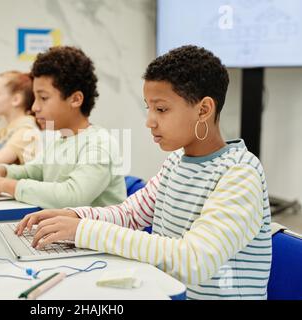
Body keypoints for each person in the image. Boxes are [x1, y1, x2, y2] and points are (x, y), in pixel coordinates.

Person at [16, 45, 272, 300]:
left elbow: (194, 260)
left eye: (161, 109)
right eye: (148, 108)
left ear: (204, 110)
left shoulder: (240, 174)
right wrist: (73, 215)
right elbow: (129, 214)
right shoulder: (176, 163)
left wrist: (83, 230)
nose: (149, 120)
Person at [0, 46, 127, 209]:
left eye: (43, 98)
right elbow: (36, 171)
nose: (34, 107)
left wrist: (3, 185)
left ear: (76, 99)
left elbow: (72, 196)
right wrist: (2, 171)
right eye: (35, 98)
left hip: (93, 234)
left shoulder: (100, 143)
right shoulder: (61, 139)